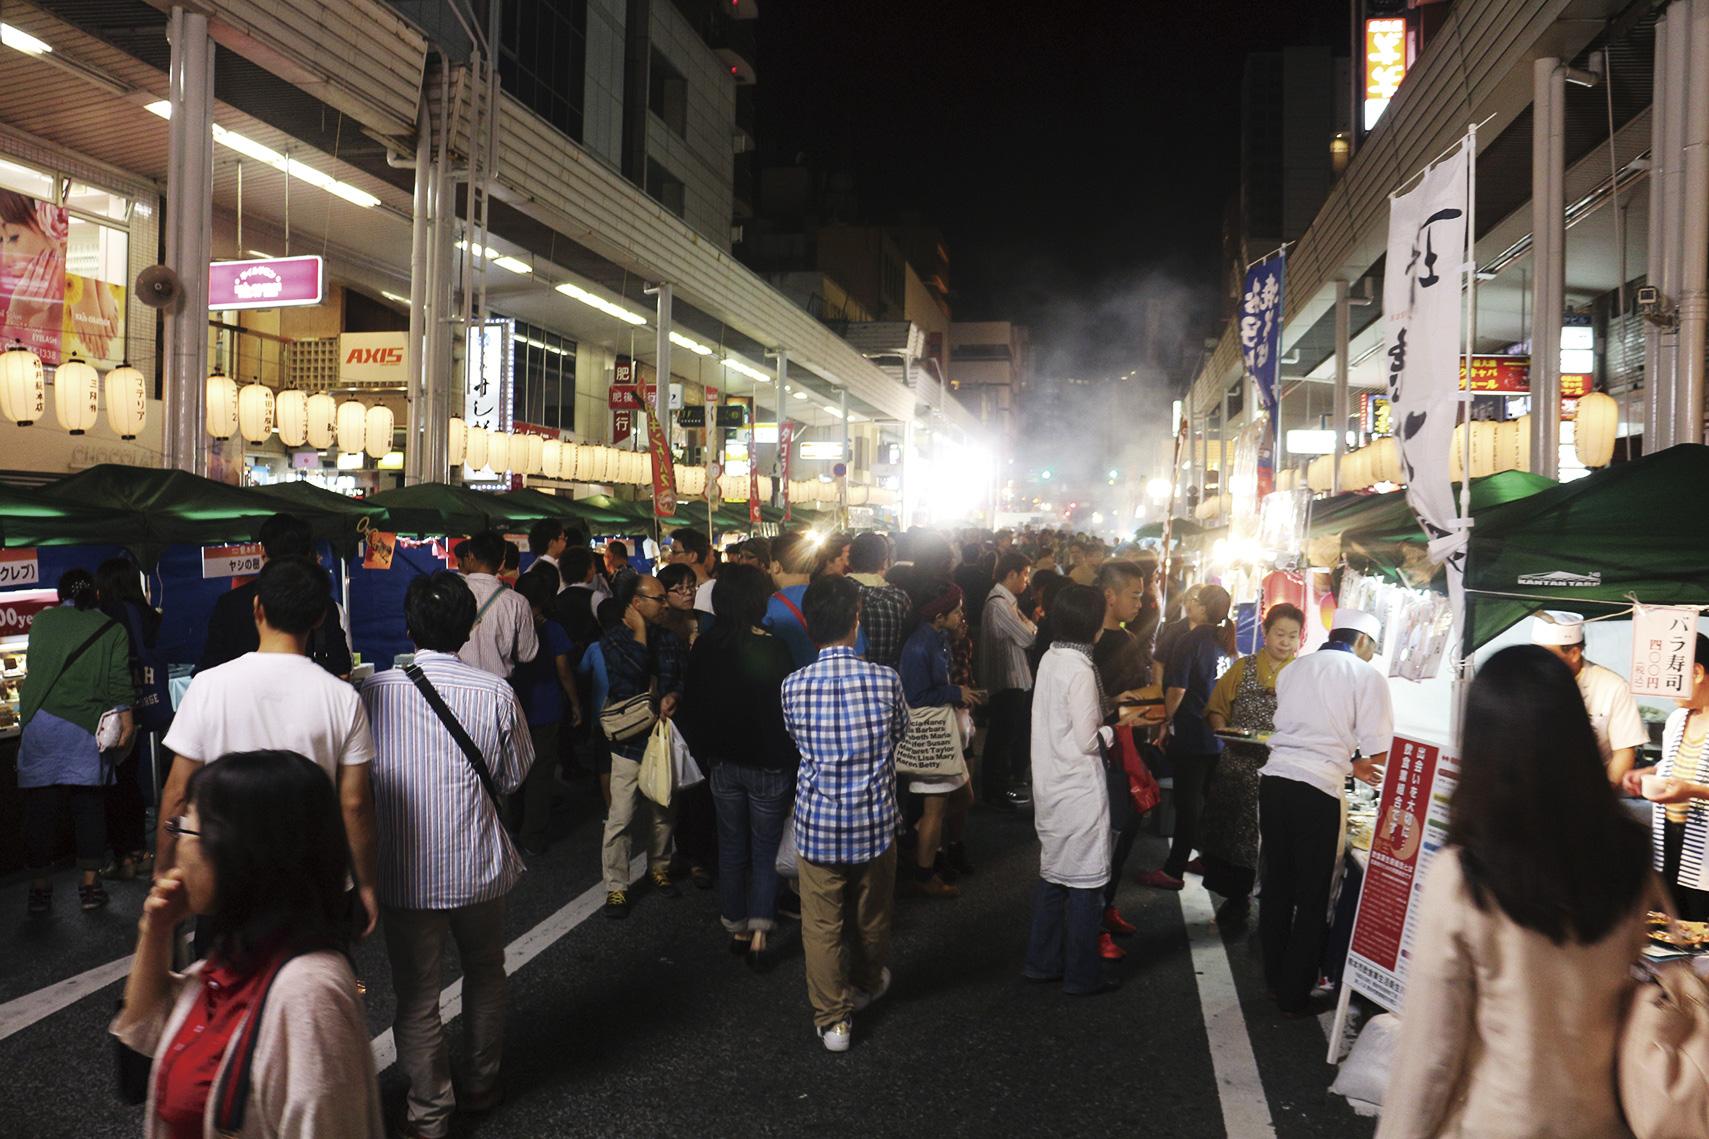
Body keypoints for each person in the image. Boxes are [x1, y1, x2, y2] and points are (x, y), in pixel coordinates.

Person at [1378, 646, 1655, 1139]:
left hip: (1499, 1122)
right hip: (1602, 1123)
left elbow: (1431, 1052)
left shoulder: (1464, 874)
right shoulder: (1628, 859)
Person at [110, 751, 383, 1138]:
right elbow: (143, 1028)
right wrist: (155, 929)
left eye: (185, 826)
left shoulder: (310, 993)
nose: (175, 844)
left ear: (238, 850)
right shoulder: (235, 956)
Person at [362, 573, 533, 1138]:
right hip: (478, 866)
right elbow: (510, 778)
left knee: (417, 996)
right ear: (469, 628)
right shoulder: (496, 694)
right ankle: (481, 1082)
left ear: (408, 627)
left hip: (406, 872)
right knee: (485, 971)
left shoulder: (372, 693)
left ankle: (429, 1112)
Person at [158, 558, 379, 939]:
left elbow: (177, 792)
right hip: (312, 883)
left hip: (225, 876)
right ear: (320, 618)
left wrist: (163, 870)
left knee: (224, 989)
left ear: (257, 608)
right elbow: (354, 805)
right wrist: (366, 884)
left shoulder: (208, 687)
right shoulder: (343, 698)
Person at [781, 575, 908, 1052]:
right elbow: (899, 732)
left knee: (820, 923)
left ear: (811, 626)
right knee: (871, 913)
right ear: (856, 621)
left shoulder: (792, 687)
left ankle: (833, 1021)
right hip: (874, 819)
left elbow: (798, 744)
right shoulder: (885, 679)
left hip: (818, 823)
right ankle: (868, 983)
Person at [1258, 608, 1392, 1016]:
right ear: (1364, 642)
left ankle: (1273, 979)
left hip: (1276, 782)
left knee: (1277, 886)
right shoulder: (1366, 676)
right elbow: (1380, 751)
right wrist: (1358, 763)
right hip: (1317, 791)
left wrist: (1348, 761)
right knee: (1315, 896)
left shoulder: (1295, 669)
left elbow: (1305, 735)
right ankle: (1294, 994)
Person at [678, 564, 799, 966]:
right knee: (765, 848)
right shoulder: (773, 646)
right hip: (768, 763)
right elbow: (784, 712)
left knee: (731, 846)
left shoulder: (706, 646)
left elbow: (693, 707)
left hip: (722, 762)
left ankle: (737, 925)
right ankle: (762, 931)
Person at [1023, 583, 1126, 996]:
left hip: (1050, 783)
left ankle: (1042, 961)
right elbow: (1088, 738)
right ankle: (1082, 974)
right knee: (1085, 884)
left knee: (1053, 877)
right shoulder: (1081, 668)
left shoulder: (1051, 657)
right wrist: (1116, 730)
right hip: (1078, 789)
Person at [19, 568, 134, 914]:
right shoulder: (113, 630)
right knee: (88, 806)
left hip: (41, 724)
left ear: (60, 594)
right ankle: (89, 887)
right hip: (86, 727)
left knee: (40, 811)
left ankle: (40, 891)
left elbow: (34, 666)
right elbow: (117, 682)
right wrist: (126, 717)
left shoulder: (42, 622)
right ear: (96, 594)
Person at [1199, 602, 1304, 926]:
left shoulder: (1302, 675)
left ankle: (1270, 900)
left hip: (1279, 768)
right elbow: (1216, 707)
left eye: (1292, 636)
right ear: (1266, 633)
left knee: (1268, 837)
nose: (1285, 642)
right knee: (1232, 833)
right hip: (1237, 764)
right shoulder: (1243, 668)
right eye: (1279, 634)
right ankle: (1235, 898)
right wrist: (1222, 730)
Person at [599, 573, 688, 917]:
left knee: (663, 809)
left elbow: (681, 674)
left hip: (661, 737)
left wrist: (673, 694)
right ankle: (616, 887)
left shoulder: (670, 637)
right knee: (620, 817)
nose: (666, 604)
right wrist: (638, 632)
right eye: (658, 598)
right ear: (636, 603)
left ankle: (659, 867)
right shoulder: (616, 639)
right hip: (628, 744)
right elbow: (631, 675)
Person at [1138, 583, 1233, 890]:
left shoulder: (1190, 640)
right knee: (1207, 801)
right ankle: (1206, 858)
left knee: (1187, 804)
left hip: (1192, 732)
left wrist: (1166, 721)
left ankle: (1174, 869)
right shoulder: (1226, 642)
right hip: (1219, 735)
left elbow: (1176, 690)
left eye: (1195, 600)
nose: (1191, 603)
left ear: (1203, 609)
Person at [1089, 561, 1158, 951]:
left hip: (1133, 745)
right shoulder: (1091, 644)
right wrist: (1119, 704)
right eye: (1134, 594)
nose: (1141, 602)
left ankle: (1107, 903)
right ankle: (1092, 919)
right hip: (1103, 751)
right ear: (1109, 596)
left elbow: (1138, 691)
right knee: (1104, 836)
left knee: (1128, 828)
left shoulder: (1131, 636)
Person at [897, 582, 980, 898]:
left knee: (959, 798)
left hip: (939, 730)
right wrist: (955, 692)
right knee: (940, 805)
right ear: (939, 615)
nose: (961, 616)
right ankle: (923, 871)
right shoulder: (922, 644)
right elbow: (916, 696)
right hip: (931, 733)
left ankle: (916, 846)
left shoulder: (933, 637)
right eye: (956, 611)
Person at [196, 513, 353, 678]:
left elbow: (210, 668)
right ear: (308, 554)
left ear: (262, 550)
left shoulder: (230, 605)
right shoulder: (321, 603)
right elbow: (342, 671)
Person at [1620, 632, 1709, 920]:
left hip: (1704, 848)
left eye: (1672, 681)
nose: (1667, 694)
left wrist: (1693, 792)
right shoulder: (1677, 719)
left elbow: (1692, 782)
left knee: (1699, 924)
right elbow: (1672, 762)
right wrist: (1647, 772)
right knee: (1668, 923)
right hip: (1671, 836)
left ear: (1696, 673)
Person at [97, 556, 163, 882]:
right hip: (140, 705)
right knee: (132, 782)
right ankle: (139, 851)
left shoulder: (109, 615)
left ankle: (123, 856)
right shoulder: (148, 614)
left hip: (114, 708)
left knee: (114, 784)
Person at [1530, 610, 1648, 787]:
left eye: (1547, 655)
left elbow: (1624, 753)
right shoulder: (1528, 682)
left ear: (1574, 653)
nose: (1539, 662)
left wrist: (1603, 796)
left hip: (1593, 788)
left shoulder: (1612, 686)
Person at [509, 570, 582, 854]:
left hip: (515, 705)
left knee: (515, 769)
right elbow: (564, 670)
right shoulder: (552, 629)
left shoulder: (510, 624)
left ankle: (512, 824)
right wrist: (575, 703)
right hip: (546, 707)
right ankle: (533, 835)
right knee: (540, 772)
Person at [979, 552, 1037, 807]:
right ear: (1011, 573)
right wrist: (1031, 625)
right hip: (1008, 680)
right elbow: (1028, 637)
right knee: (1001, 738)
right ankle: (996, 790)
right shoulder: (1000, 604)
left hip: (1013, 679)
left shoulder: (1006, 602)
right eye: (1024, 574)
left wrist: (1029, 626)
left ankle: (998, 787)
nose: (1027, 580)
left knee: (1004, 736)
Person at [457, 530, 538, 679]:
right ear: (502, 563)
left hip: (455, 688)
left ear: (471, 557)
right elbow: (526, 654)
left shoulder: (451, 594)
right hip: (499, 690)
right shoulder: (517, 602)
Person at [849, 532, 911, 670]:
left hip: (848, 680)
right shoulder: (899, 599)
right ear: (885, 561)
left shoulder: (837, 593)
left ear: (850, 559)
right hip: (890, 680)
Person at [1151, 582, 1204, 683]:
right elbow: (1158, 662)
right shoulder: (1174, 630)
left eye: (1195, 600)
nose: (1190, 605)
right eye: (1187, 600)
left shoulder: (1211, 633)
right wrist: (1158, 690)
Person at [526, 518, 568, 591]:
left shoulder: (530, 570)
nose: (565, 543)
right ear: (552, 543)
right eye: (563, 539)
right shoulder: (553, 573)